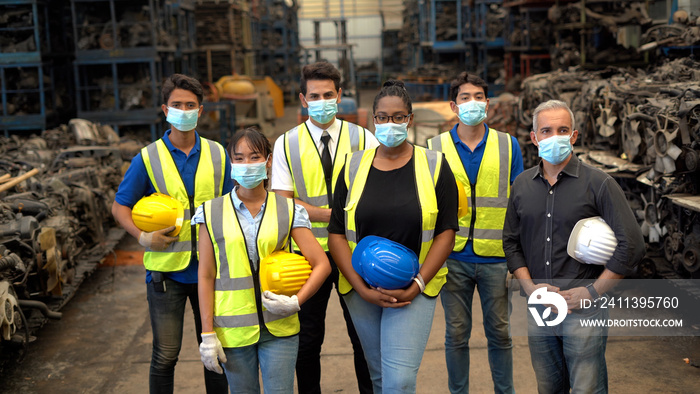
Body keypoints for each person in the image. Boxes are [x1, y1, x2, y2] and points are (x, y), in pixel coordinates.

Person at [503, 99, 645, 393]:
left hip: (584, 309)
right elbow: (511, 242)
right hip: (539, 308)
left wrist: (592, 292)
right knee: (548, 386)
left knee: (586, 388)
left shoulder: (600, 184)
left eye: (562, 129)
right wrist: (530, 288)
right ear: (534, 138)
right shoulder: (522, 185)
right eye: (546, 130)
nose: (555, 136)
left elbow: (631, 245)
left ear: (574, 136)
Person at [327, 80, 459, 393]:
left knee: (398, 381)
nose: (391, 124)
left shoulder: (435, 165)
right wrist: (361, 288)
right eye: (383, 117)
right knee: (379, 378)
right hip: (362, 291)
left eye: (398, 117)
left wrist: (417, 285)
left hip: (414, 287)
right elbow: (335, 233)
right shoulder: (351, 166)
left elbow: (446, 232)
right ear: (373, 120)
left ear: (410, 119)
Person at [111, 73, 232, 393]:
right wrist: (141, 237)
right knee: (165, 355)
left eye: (190, 105)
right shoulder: (148, 158)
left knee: (215, 354)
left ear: (201, 110)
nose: (184, 110)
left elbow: (236, 203)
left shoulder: (219, 154)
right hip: (167, 276)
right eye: (177, 105)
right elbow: (119, 207)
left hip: (212, 271)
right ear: (165, 110)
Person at [193, 127, 331, 393]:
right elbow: (206, 275)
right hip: (233, 329)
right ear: (231, 162)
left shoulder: (289, 209)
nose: (247, 165)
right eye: (240, 158)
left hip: (280, 326)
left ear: (268, 161)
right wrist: (207, 333)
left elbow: (321, 264)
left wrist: (296, 301)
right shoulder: (210, 212)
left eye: (255, 157)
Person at [271, 61, 378, 393]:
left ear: (340, 95)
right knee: (307, 341)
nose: (321, 101)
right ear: (303, 99)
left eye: (328, 94)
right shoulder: (286, 144)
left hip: (356, 252)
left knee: (364, 339)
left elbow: (378, 192)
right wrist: (332, 215)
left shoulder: (364, 138)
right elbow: (282, 203)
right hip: (307, 256)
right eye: (314, 95)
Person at [427, 72, 523, 394]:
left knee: (500, 333)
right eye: (465, 98)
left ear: (487, 103)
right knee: (456, 335)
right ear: (453, 106)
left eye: (479, 97)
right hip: (451, 258)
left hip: (497, 258)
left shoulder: (509, 146)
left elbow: (519, 203)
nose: (473, 103)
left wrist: (518, 258)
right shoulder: (433, 148)